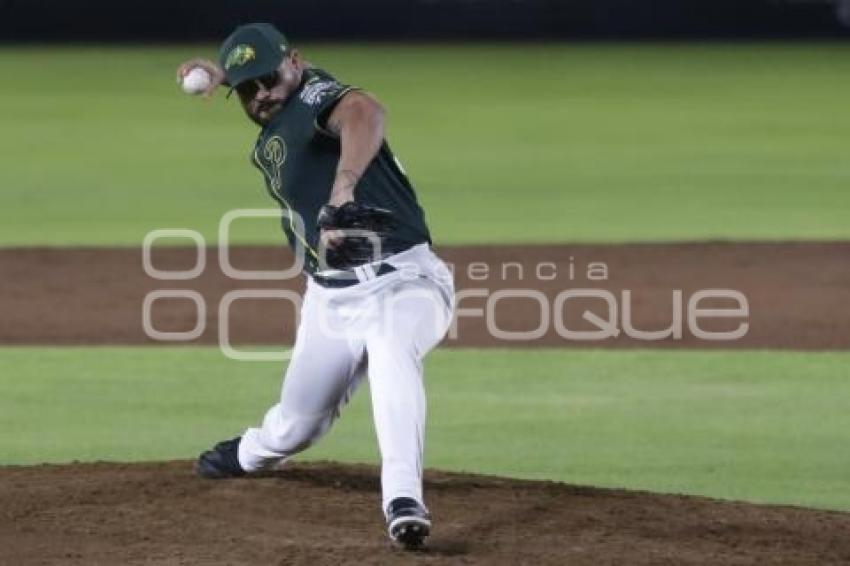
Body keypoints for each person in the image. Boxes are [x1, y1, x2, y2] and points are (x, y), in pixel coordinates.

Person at [176, 23, 454, 549]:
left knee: (392, 347)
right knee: (296, 426)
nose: (261, 94)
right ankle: (252, 452)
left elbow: (365, 111)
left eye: (269, 78)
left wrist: (344, 185)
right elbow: (263, 96)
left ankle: (402, 498)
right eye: (248, 88)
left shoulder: (315, 94)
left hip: (406, 280)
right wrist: (227, 73)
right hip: (331, 299)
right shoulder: (276, 114)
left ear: (296, 62)